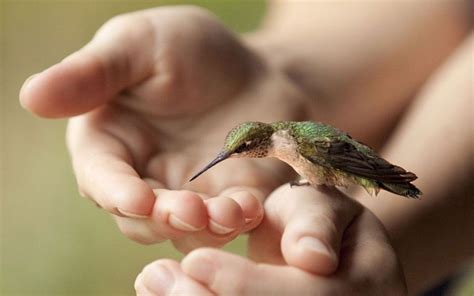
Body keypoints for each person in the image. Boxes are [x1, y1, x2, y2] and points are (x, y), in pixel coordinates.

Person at [20, 1, 473, 295]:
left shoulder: (299, 142)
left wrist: (380, 237)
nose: (232, 158)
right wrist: (281, 68)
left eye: (238, 151)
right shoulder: (282, 142)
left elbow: (342, 159)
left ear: (261, 143)